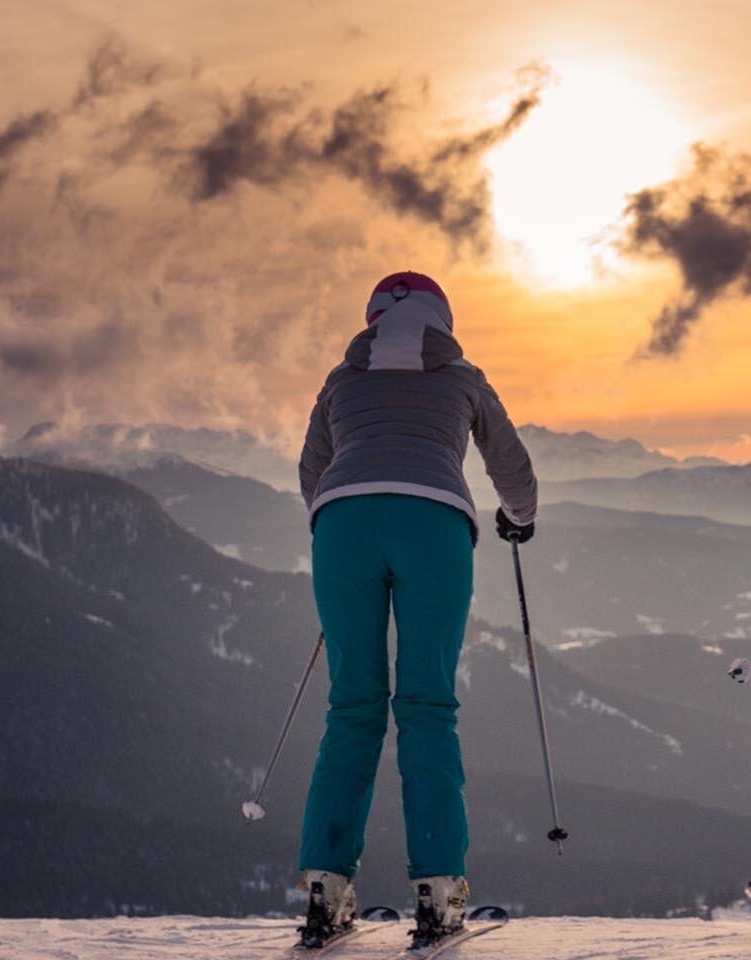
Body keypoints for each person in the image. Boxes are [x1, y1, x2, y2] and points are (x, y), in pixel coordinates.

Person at [293, 270, 537, 949]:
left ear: (372, 319)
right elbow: (511, 466)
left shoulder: (341, 381)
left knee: (352, 706)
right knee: (427, 706)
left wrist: (338, 526)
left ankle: (325, 889)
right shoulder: (463, 376)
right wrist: (520, 518)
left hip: (343, 528)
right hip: (435, 526)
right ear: (443, 321)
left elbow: (312, 471)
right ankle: (438, 892)